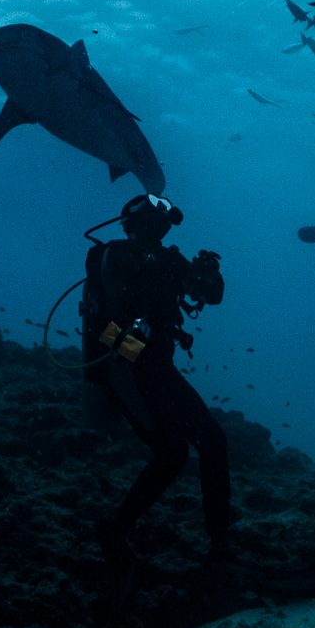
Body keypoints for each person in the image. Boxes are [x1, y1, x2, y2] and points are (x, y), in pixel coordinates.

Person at [82, 192, 231, 563]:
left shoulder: (171, 260)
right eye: (154, 218)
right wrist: (136, 342)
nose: (161, 227)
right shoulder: (110, 256)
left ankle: (221, 540)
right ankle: (115, 528)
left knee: (212, 438)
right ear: (137, 222)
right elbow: (104, 325)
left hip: (159, 368)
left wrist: (209, 275)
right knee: (173, 453)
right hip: (123, 366)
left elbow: (211, 296)